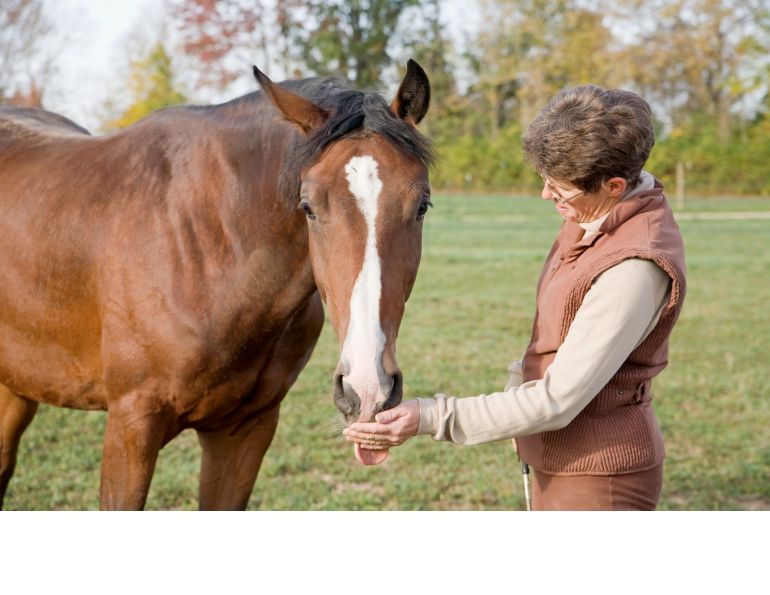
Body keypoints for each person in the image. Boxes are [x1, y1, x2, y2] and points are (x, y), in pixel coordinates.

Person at [343, 83, 687, 511]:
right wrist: (517, 403)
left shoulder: (634, 267)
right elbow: (554, 337)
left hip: (597, 477)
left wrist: (431, 416)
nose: (547, 195)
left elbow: (558, 399)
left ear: (614, 185)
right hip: (558, 457)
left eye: (559, 189)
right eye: (545, 181)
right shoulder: (594, 218)